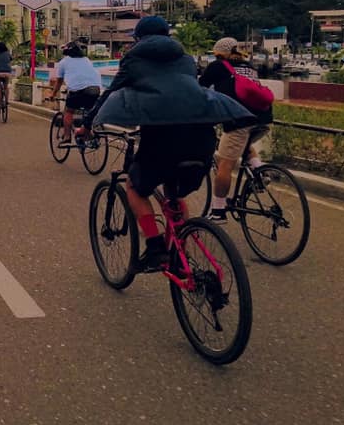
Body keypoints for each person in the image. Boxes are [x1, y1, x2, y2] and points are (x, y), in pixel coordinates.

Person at [83, 17, 254, 270]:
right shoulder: (186, 59)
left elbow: (112, 92)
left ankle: (155, 248)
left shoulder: (133, 59)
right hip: (202, 136)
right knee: (172, 193)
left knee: (134, 187)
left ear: (139, 38)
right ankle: (179, 249)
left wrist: (87, 123)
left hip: (163, 137)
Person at [199, 37, 274, 222]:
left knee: (225, 164)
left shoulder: (218, 66)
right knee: (244, 144)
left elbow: (199, 88)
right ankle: (260, 171)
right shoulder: (249, 66)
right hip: (263, 118)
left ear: (219, 53)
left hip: (239, 119)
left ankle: (218, 212)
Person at [46, 41, 103, 145]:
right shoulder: (86, 60)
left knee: (69, 111)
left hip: (78, 91)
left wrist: (53, 94)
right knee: (88, 111)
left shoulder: (64, 62)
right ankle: (87, 133)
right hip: (95, 89)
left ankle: (67, 137)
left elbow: (59, 82)